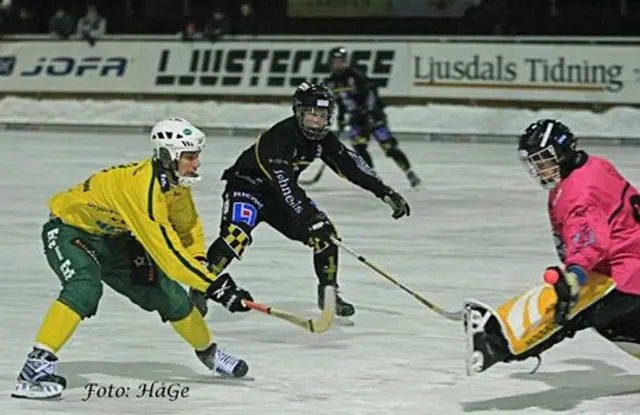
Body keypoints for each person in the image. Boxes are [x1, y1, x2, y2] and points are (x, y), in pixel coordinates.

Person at [12, 118, 254, 400]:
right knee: (85, 286)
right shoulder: (144, 191)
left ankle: (209, 354)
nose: (196, 164)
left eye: (197, 156)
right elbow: (168, 255)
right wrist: (217, 286)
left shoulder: (176, 185)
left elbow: (187, 228)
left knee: (170, 295)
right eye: (190, 156)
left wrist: (200, 266)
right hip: (70, 232)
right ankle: (35, 367)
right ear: (168, 155)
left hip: (114, 239)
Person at [189, 81, 410, 320]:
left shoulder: (324, 140)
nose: (317, 122)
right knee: (237, 234)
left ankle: (328, 292)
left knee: (326, 234)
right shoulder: (280, 138)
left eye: (323, 116)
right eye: (311, 115)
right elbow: (285, 184)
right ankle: (201, 285)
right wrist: (309, 216)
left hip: (277, 196)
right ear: (298, 113)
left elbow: (351, 164)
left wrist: (385, 192)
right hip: (247, 188)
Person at [464, 119, 640, 376]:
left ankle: (496, 340)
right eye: (534, 162)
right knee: (613, 323)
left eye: (545, 160)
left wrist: (576, 272)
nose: (539, 169)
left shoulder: (578, 193)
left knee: (569, 307)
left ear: (564, 152)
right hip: (631, 263)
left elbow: (588, 236)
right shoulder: (595, 165)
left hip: (623, 273)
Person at [324, 46, 421, 188]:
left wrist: (369, 113)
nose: (338, 64)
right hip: (356, 119)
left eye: (341, 61)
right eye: (335, 61)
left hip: (373, 117)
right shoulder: (330, 82)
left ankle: (410, 173)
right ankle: (373, 177)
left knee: (389, 146)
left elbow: (371, 94)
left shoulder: (356, 76)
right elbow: (340, 101)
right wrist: (341, 118)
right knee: (359, 147)